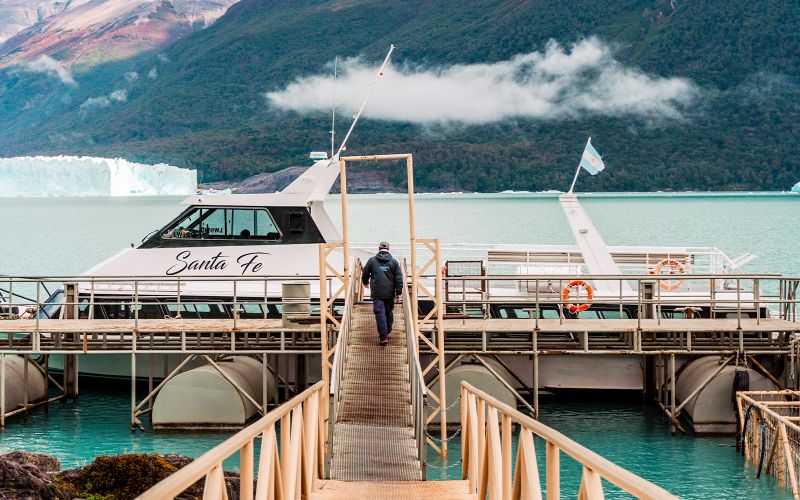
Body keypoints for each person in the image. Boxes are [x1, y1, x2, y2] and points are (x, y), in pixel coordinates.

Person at [361, 241, 403, 346]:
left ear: (379, 249)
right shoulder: (394, 262)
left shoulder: (372, 261)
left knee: (380, 313)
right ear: (388, 249)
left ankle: (383, 337)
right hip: (390, 293)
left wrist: (365, 282)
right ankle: (387, 331)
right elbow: (398, 278)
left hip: (377, 292)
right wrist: (398, 292)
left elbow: (365, 273)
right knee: (389, 312)